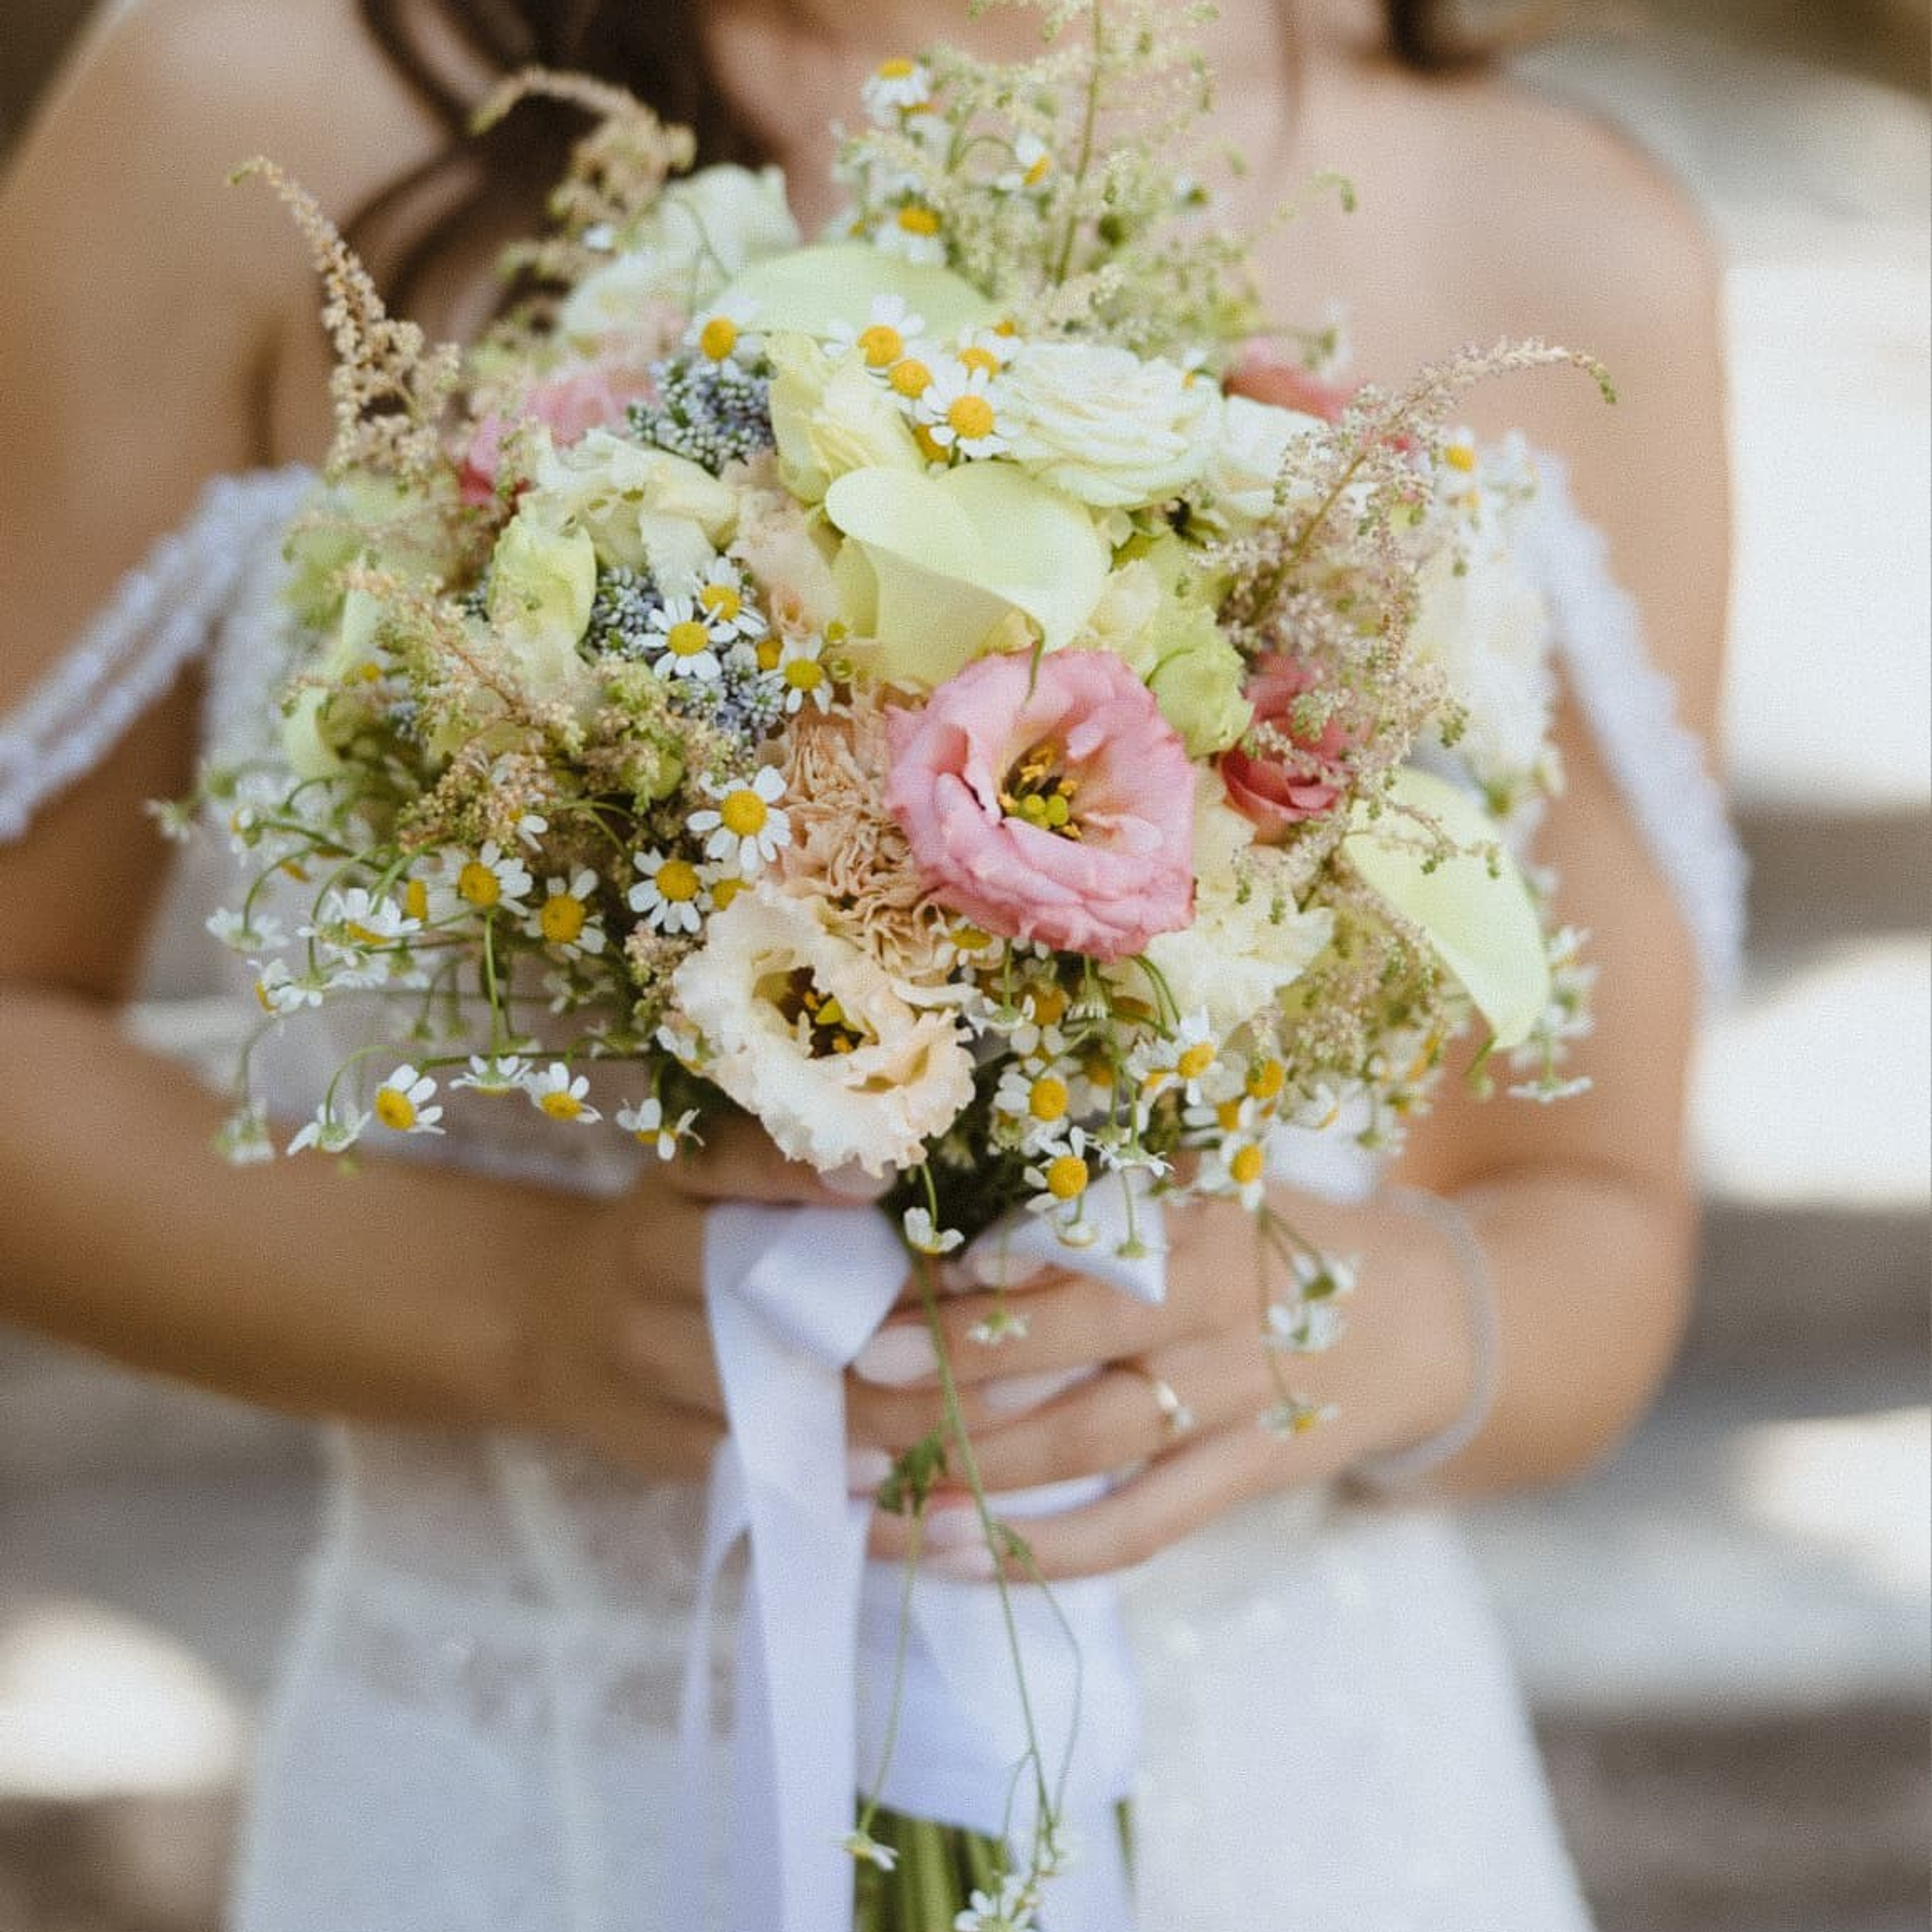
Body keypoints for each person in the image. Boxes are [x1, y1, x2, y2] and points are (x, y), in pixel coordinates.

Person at [0, 0, 1739, 1925]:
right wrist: (532, 1311)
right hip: (526, 1810)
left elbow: (1591, 1214)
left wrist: (1345, 1325)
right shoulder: (241, 99)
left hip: (1307, 1815)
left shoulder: (1561, 246)